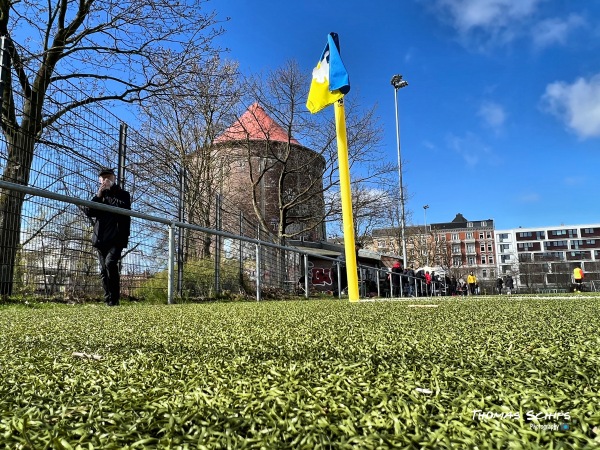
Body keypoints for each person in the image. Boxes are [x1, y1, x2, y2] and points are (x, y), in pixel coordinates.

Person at [85, 168, 131, 306]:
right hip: (100, 239)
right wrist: (99, 195)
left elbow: (124, 208)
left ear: (114, 178)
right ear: (99, 180)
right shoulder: (100, 196)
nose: (105, 180)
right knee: (104, 271)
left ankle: (114, 300)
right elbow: (89, 212)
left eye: (108, 177)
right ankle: (108, 300)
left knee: (110, 264)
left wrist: (110, 192)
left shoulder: (123, 194)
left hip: (117, 238)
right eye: (102, 178)